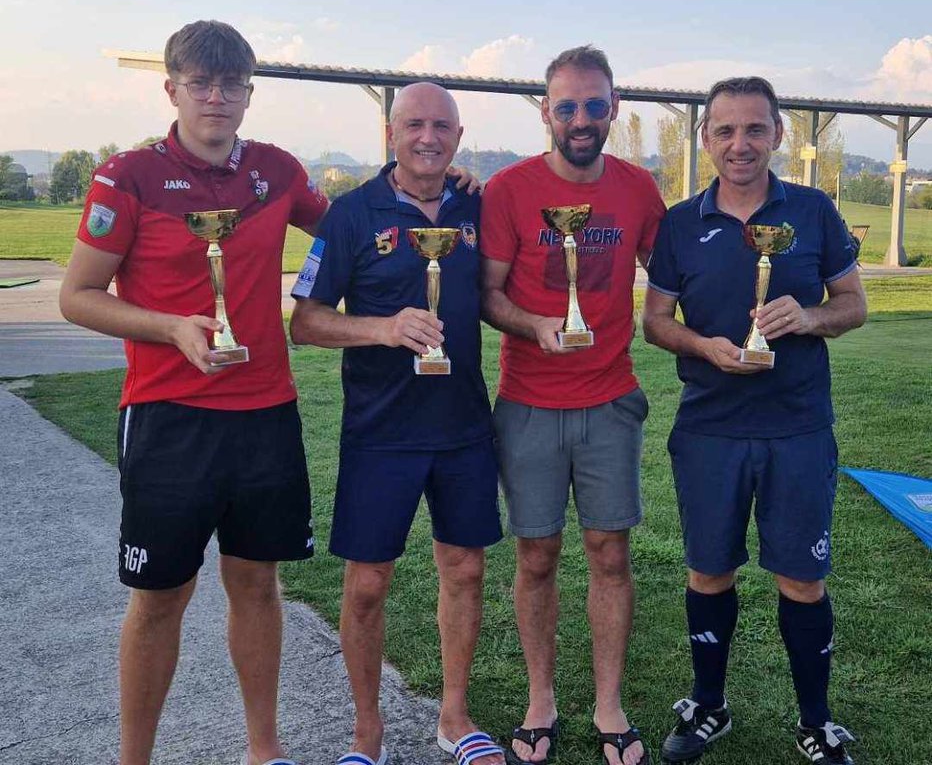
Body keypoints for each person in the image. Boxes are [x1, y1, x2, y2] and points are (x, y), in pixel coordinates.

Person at [58, 20, 328, 765]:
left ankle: (263, 751)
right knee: (158, 599)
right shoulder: (128, 175)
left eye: (232, 84)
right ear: (171, 87)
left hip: (265, 412)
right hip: (168, 417)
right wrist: (169, 327)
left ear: (249, 92)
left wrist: (439, 187)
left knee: (257, 584)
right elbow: (77, 296)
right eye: (200, 83)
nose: (216, 97)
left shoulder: (276, 169)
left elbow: (353, 230)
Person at [642, 76, 867, 765]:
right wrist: (702, 344)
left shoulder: (815, 210)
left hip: (797, 426)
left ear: (778, 134)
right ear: (706, 138)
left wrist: (809, 318)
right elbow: (654, 322)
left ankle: (815, 719)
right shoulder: (681, 222)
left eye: (755, 129)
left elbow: (853, 303)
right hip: (709, 426)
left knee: (802, 577)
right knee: (709, 570)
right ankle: (709, 706)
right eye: (726, 131)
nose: (740, 144)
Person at [289, 82, 505, 765]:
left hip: (464, 425)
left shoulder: (478, 205)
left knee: (465, 569)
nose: (428, 138)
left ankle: (454, 716)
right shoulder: (351, 215)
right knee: (368, 582)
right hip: (380, 431)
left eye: (442, 126)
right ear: (390, 133)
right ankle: (367, 733)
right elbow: (306, 322)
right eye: (414, 124)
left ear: (459, 135)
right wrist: (383, 328)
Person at [480, 46, 666, 765]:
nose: (581, 119)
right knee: (536, 555)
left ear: (614, 108)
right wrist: (534, 325)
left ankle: (609, 704)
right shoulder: (509, 190)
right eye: (567, 107)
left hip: (610, 399)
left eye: (594, 105)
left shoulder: (639, 189)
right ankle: (541, 698)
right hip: (527, 400)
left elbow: (670, 274)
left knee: (609, 553)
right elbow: (488, 294)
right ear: (545, 112)